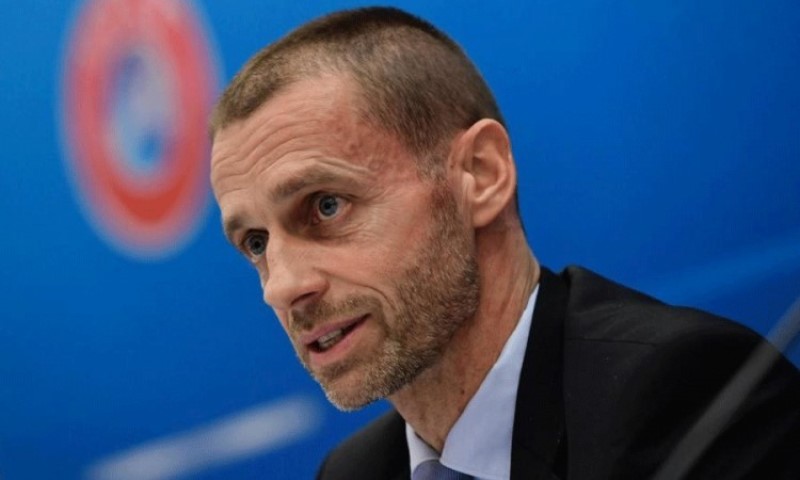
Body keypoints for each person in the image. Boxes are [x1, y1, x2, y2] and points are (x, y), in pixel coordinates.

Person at [208, 6, 800, 480]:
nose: (281, 287)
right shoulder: (354, 471)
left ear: (481, 175)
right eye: (256, 243)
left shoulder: (683, 395)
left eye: (325, 206)